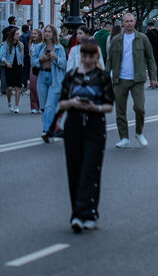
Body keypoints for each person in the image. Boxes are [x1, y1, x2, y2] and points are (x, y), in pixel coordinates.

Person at [58, 38, 115, 232]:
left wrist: (94, 107)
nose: (88, 60)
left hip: (94, 125)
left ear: (96, 56)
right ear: (80, 56)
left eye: (91, 56)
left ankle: (87, 213)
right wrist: (72, 103)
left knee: (90, 169)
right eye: (85, 56)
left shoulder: (102, 77)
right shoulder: (71, 76)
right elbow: (62, 102)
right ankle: (78, 213)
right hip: (73, 125)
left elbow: (109, 105)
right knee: (74, 170)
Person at [108, 13, 158, 148]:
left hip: (137, 79)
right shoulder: (116, 40)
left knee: (139, 108)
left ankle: (139, 132)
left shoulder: (142, 38)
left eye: (131, 21)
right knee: (120, 110)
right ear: (122, 23)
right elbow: (110, 60)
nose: (129, 24)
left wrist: (153, 78)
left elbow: (151, 59)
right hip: (120, 79)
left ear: (134, 23)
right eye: (126, 21)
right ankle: (124, 138)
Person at [32, 25, 66, 142]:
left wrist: (55, 58)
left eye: (49, 32)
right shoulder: (39, 47)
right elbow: (33, 62)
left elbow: (64, 64)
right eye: (45, 31)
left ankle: (46, 131)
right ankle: (49, 129)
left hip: (54, 77)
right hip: (42, 77)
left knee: (49, 106)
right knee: (43, 107)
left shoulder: (59, 48)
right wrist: (40, 60)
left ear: (54, 34)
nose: (47, 34)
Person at [0, 27, 26, 113]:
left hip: (18, 67)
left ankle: (16, 106)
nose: (18, 35)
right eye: (17, 34)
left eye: (18, 34)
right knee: (9, 88)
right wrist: (6, 63)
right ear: (12, 35)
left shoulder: (21, 45)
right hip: (9, 67)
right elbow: (1, 56)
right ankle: (9, 102)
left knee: (17, 87)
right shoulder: (6, 44)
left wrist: (22, 65)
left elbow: (22, 56)